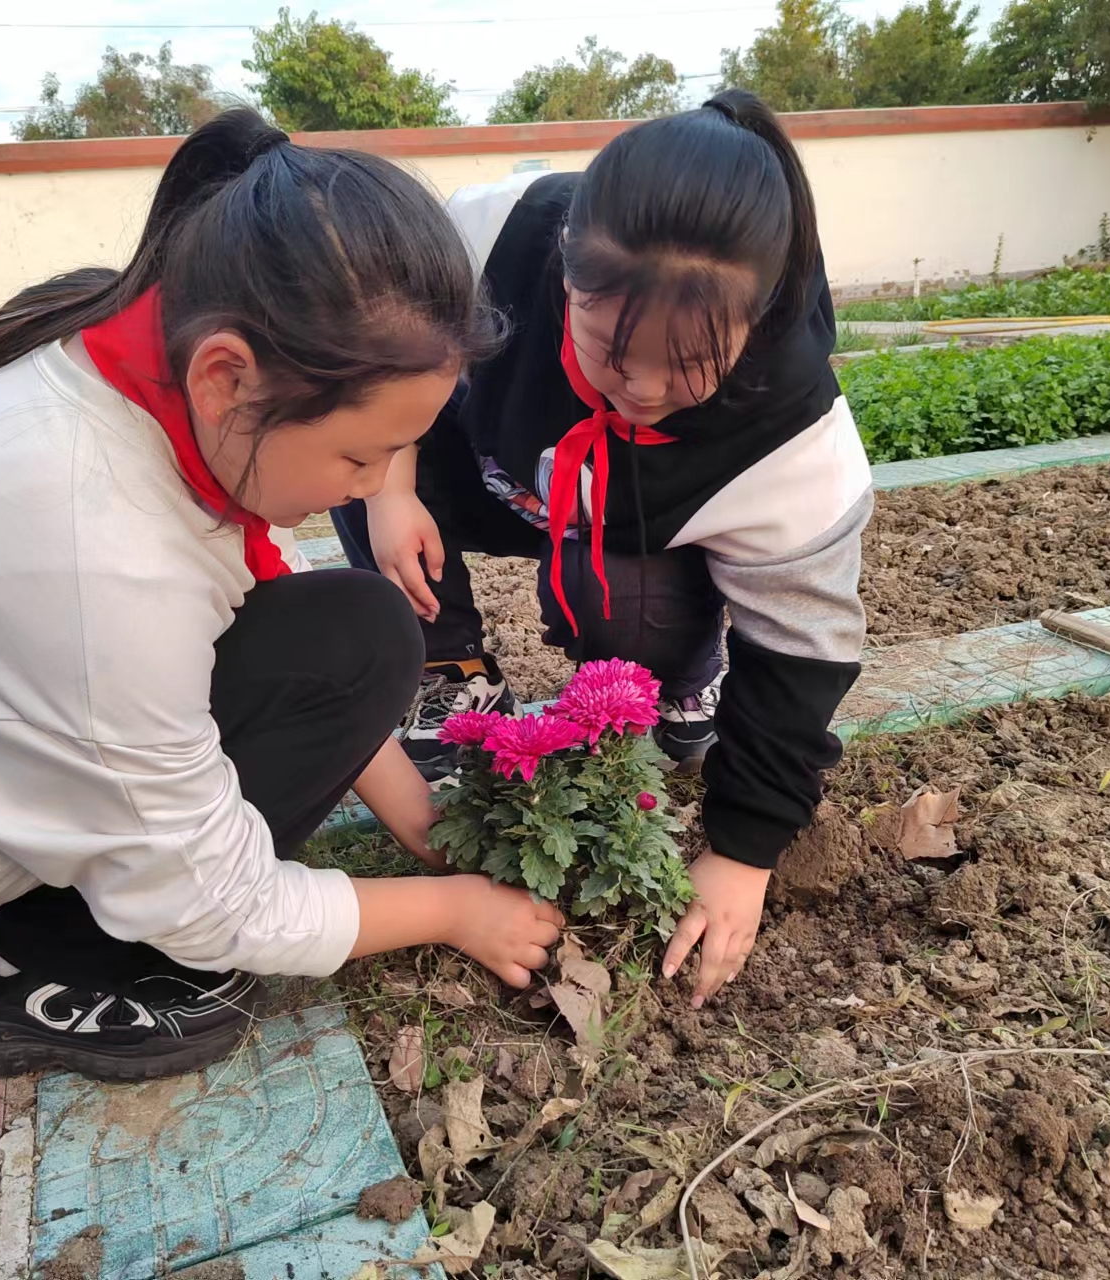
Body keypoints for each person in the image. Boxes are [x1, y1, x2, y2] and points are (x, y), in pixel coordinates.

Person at [0, 109, 565, 1082]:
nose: (369, 489)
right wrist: (453, 912)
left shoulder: (149, 345)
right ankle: (44, 966)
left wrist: (420, 823)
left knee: (360, 631)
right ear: (228, 378)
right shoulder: (78, 539)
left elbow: (251, 599)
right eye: (360, 455)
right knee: (183, 884)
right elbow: (208, 893)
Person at [332, 90, 873, 1009]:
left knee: (632, 629)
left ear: (759, 320)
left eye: (694, 362)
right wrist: (387, 481)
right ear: (566, 278)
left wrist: (742, 854)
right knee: (345, 473)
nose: (647, 388)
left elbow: (804, 657)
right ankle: (451, 669)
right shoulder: (491, 237)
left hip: (648, 525)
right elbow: (367, 346)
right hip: (500, 477)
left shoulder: (796, 437)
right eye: (614, 351)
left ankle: (679, 677)